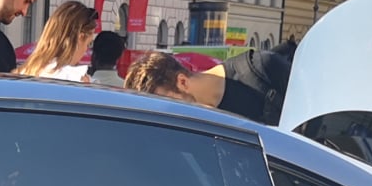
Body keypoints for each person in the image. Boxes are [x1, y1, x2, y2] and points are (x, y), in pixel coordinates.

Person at [123, 45, 295, 126]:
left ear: (182, 82)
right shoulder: (199, 127)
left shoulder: (261, 68)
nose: (170, 114)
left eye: (168, 104)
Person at [18, 2, 97, 81]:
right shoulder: (72, 78)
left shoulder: (24, 72)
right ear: (80, 37)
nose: (86, 50)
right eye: (88, 44)